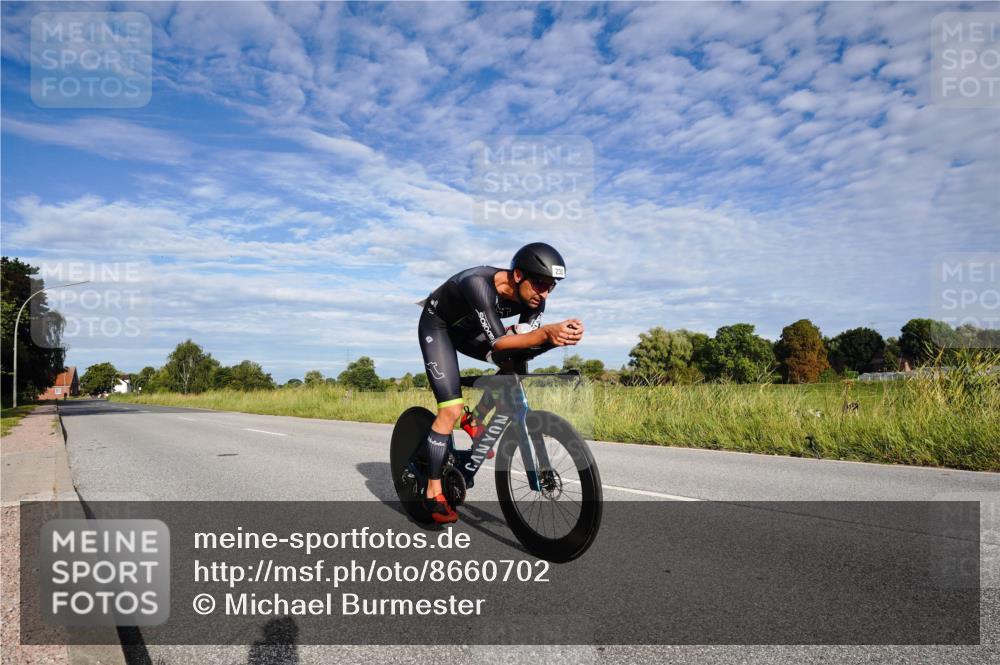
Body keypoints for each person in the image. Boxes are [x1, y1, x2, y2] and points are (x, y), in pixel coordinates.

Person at [417, 242, 584, 523]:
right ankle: (433, 492)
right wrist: (545, 334)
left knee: (513, 364)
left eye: (551, 286)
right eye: (541, 283)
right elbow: (499, 342)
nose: (545, 293)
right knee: (450, 410)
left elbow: (522, 345)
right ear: (518, 275)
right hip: (439, 328)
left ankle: (477, 417)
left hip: (472, 331)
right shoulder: (477, 284)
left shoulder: (536, 298)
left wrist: (556, 339)